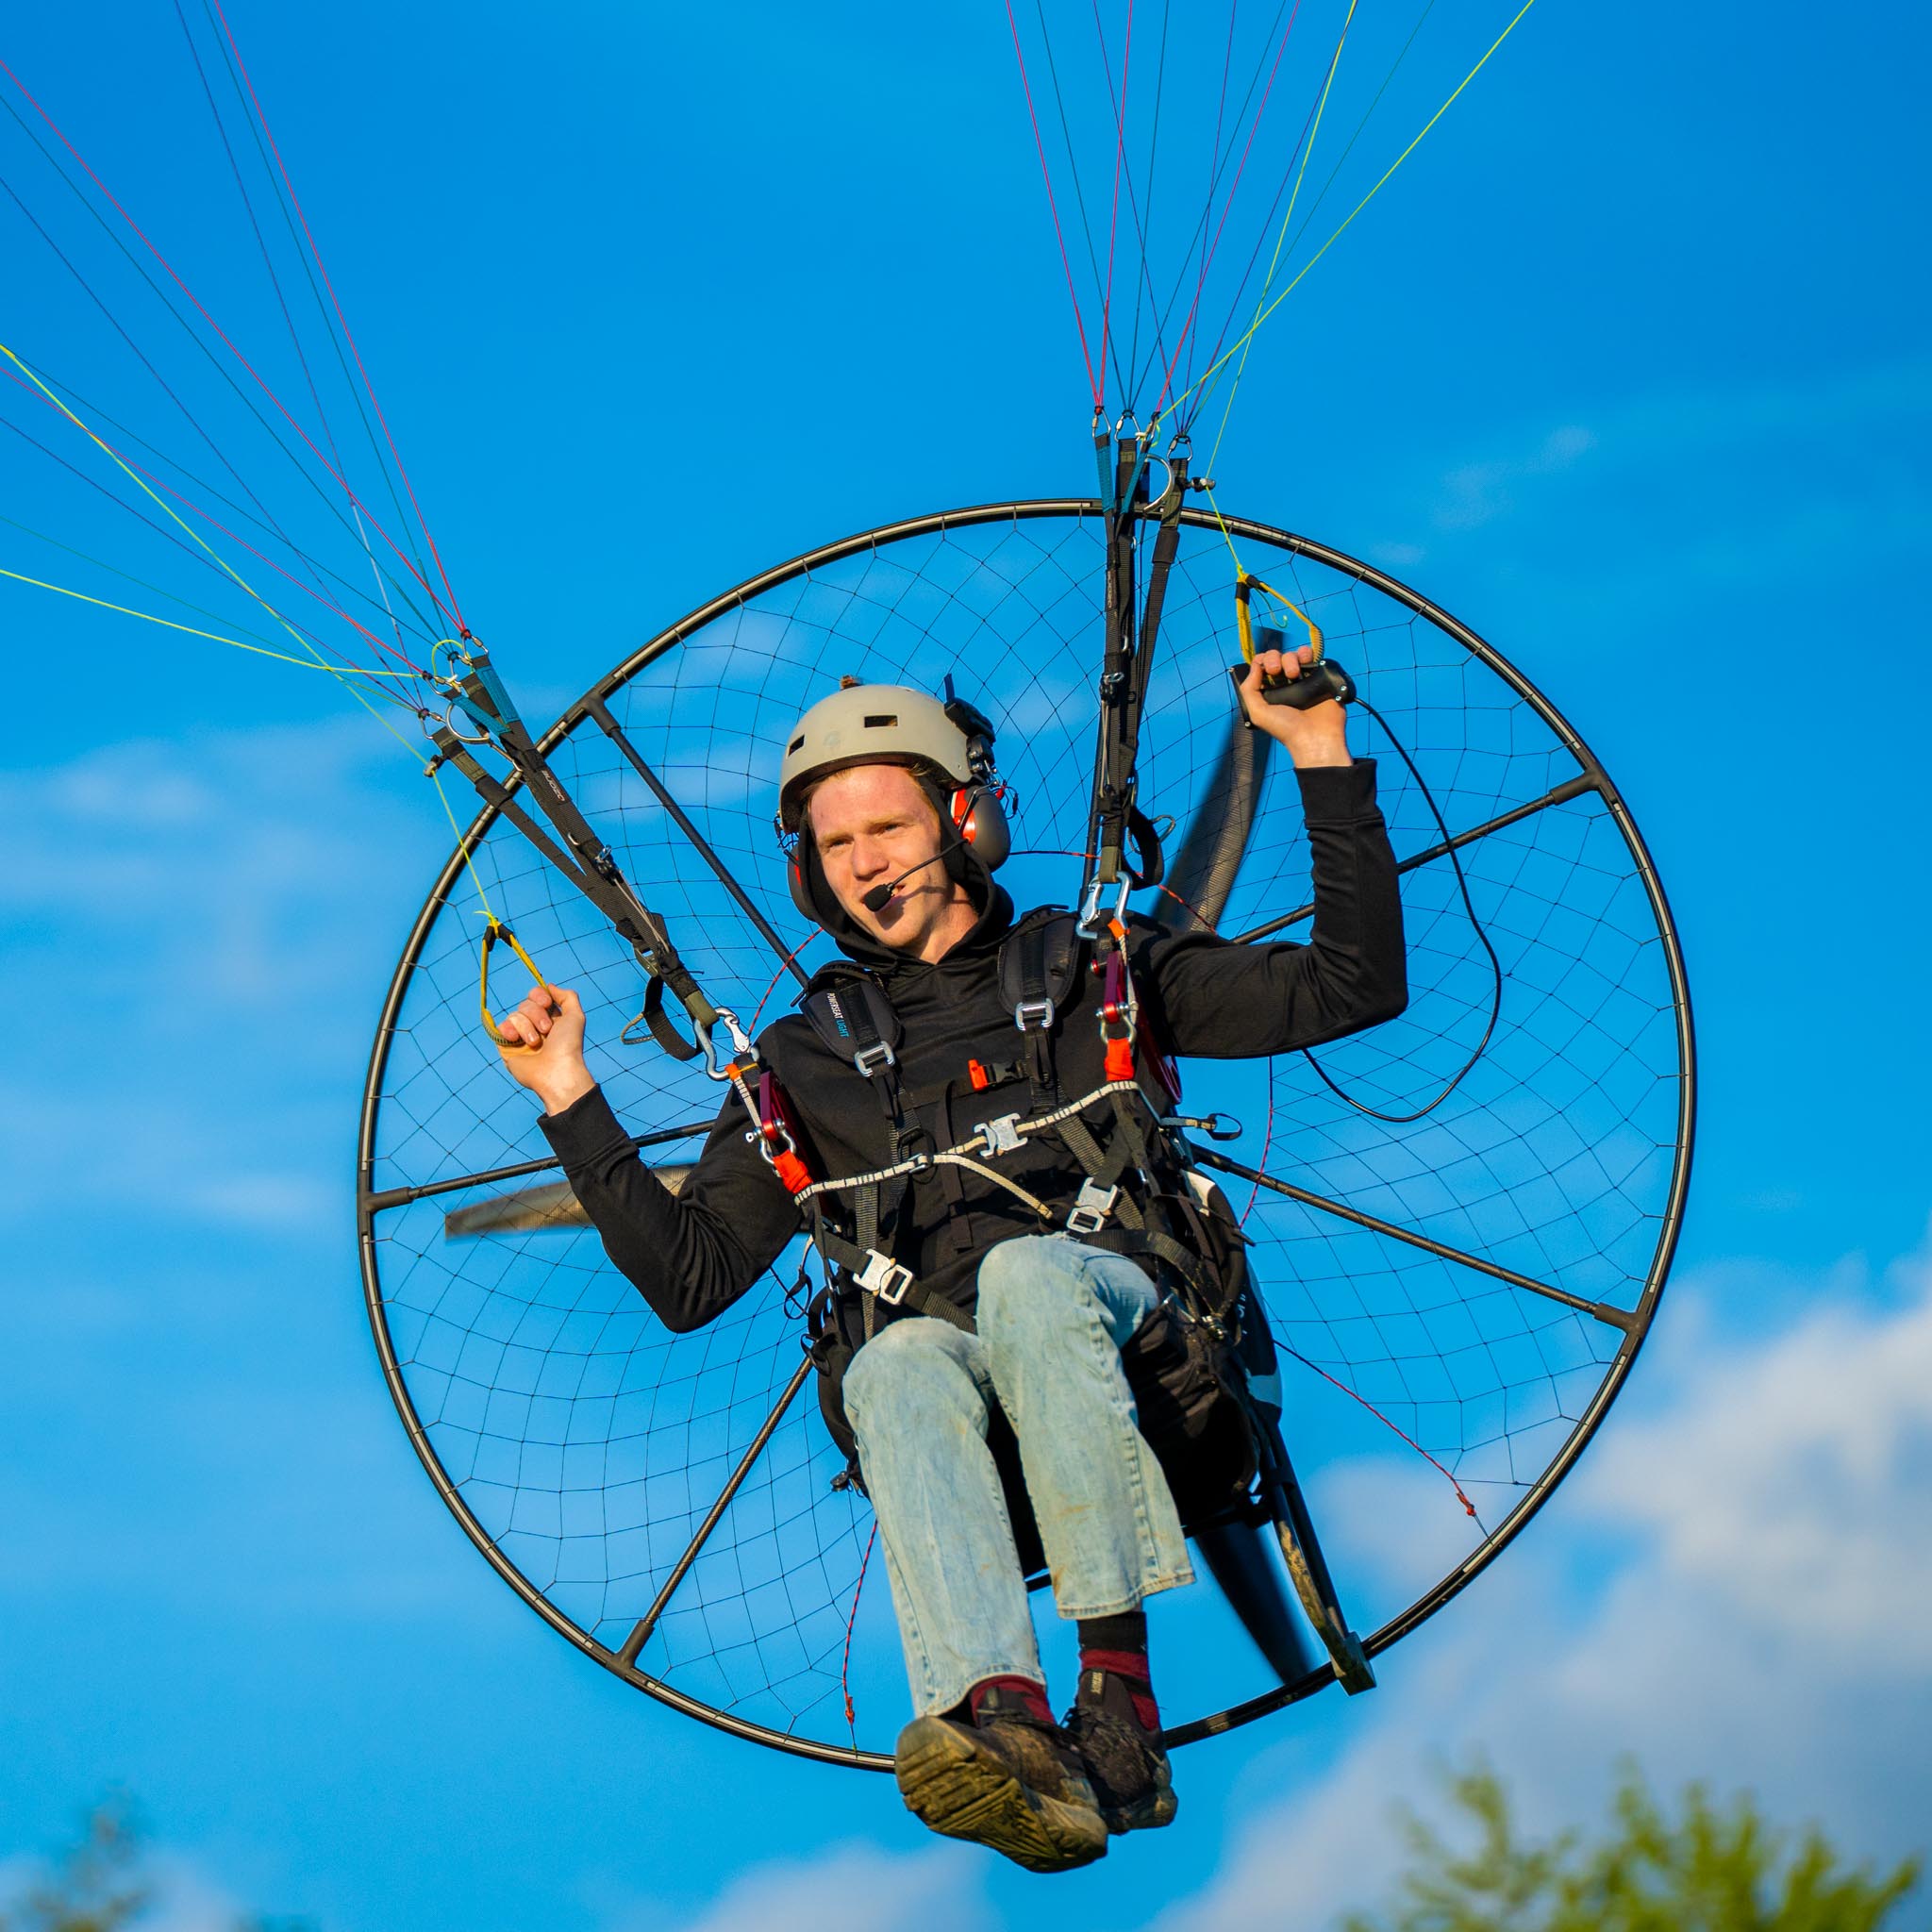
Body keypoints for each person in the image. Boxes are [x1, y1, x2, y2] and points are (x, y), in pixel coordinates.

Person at [493, 642, 1407, 1874]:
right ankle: (1009, 1727)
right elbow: (690, 1281)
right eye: (834, 843)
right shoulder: (800, 1060)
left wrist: (1318, 754)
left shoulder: (1105, 969)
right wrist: (569, 1098)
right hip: (983, 1437)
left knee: (1033, 1277)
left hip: (1160, 1378)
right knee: (894, 1366)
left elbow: (1355, 986)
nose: (864, 859)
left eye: (887, 823)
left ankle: (1117, 1691)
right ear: (808, 876)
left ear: (964, 815)